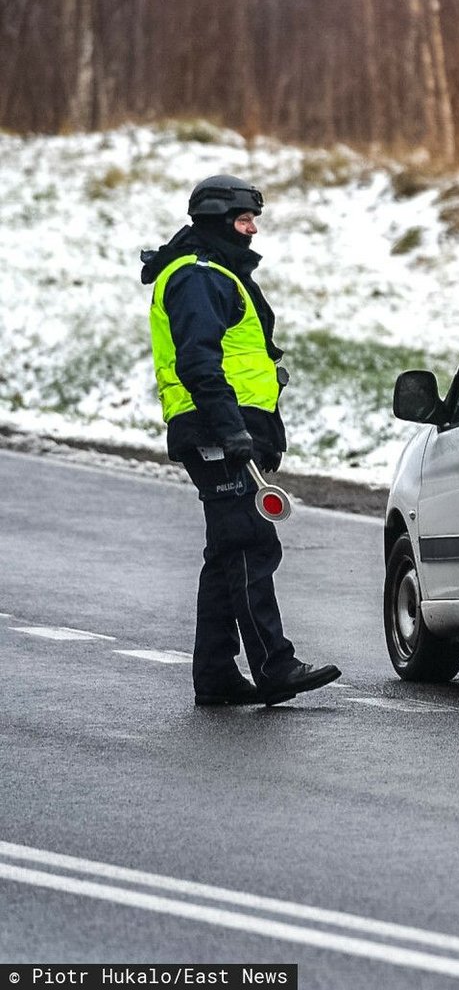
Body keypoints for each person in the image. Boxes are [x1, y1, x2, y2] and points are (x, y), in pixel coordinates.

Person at [140, 174, 340, 708]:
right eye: (243, 220)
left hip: (220, 429)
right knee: (253, 542)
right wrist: (232, 431)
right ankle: (274, 665)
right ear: (216, 221)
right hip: (214, 431)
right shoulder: (199, 278)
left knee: (228, 551)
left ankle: (216, 675)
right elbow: (199, 362)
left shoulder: (213, 273)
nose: (252, 230)